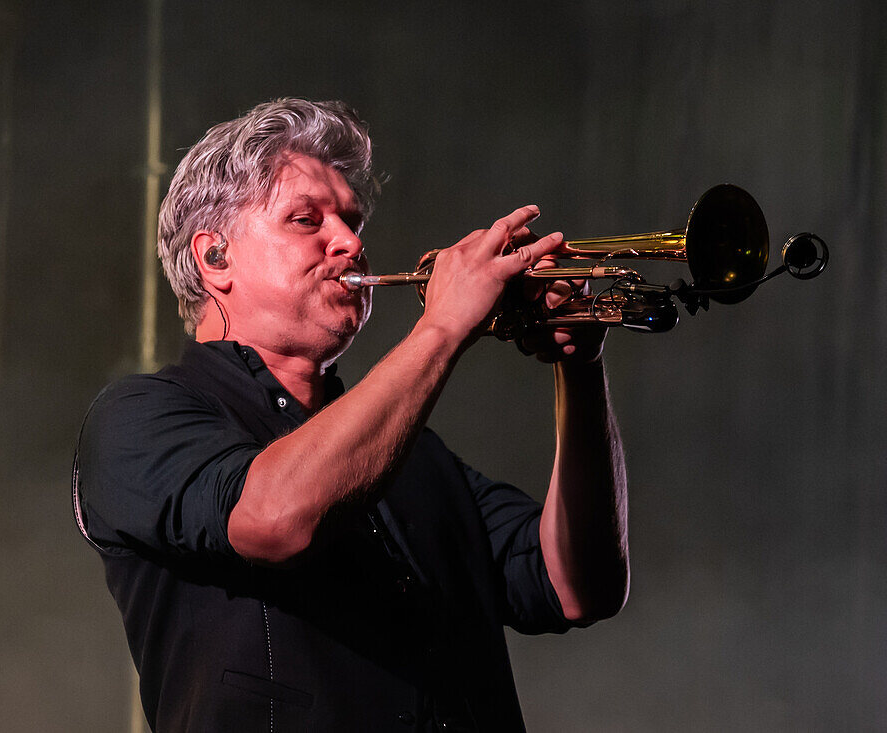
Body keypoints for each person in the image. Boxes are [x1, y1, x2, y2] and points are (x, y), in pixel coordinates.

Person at [73, 98, 628, 732]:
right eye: (306, 220)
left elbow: (578, 585)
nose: (349, 241)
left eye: (352, 222)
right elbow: (275, 517)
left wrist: (580, 364)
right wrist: (444, 325)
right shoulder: (140, 414)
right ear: (215, 258)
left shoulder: (417, 454)